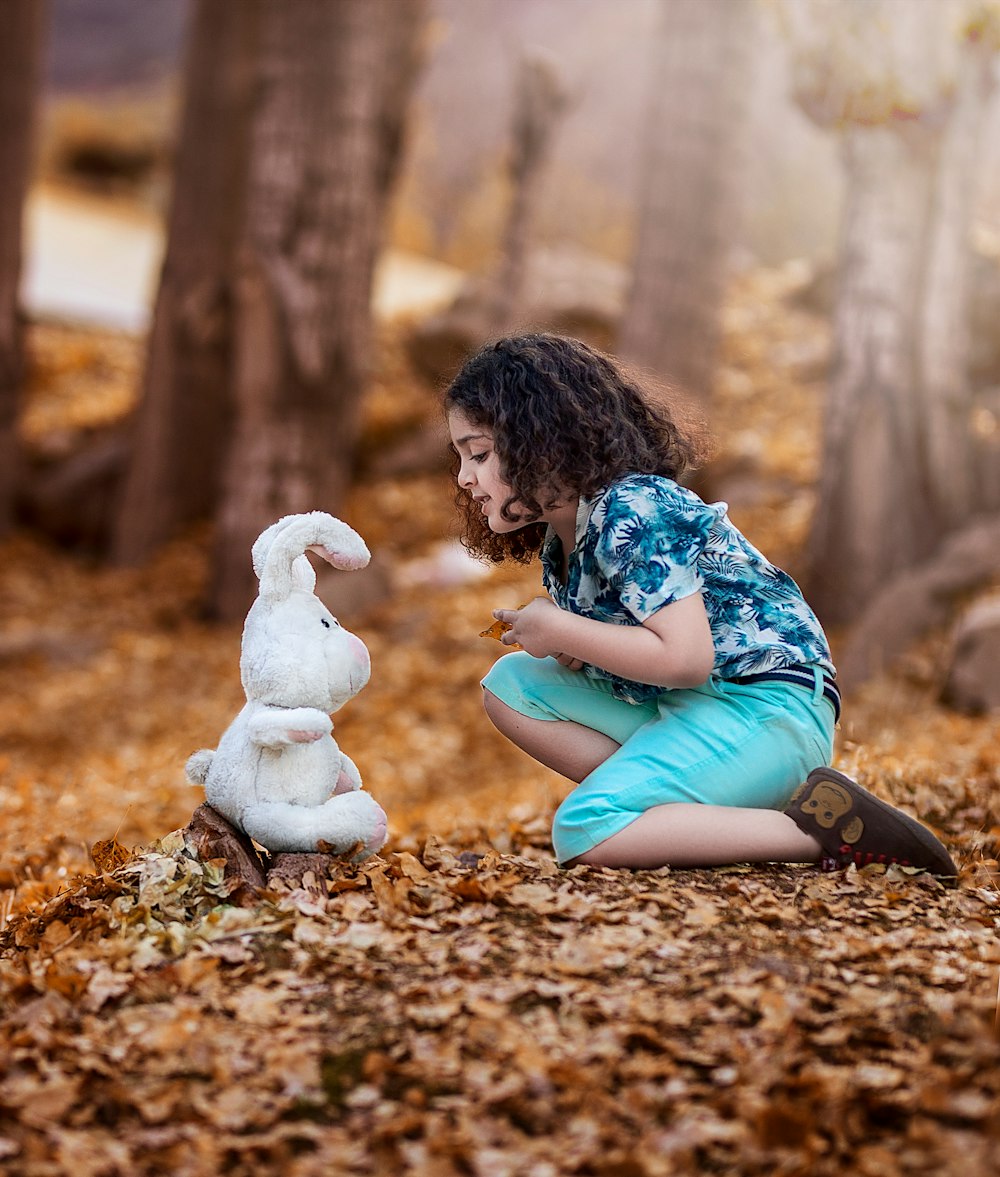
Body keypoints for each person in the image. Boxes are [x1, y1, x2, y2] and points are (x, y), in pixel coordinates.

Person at [445, 332, 957, 877]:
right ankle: (689, 809)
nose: (463, 477)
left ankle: (822, 833)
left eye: (478, 453)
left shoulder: (632, 506)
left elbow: (686, 660)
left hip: (763, 710)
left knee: (586, 826)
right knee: (512, 684)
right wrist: (572, 643)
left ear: (541, 441)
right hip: (690, 710)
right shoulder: (563, 541)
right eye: (459, 457)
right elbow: (651, 656)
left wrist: (564, 630)